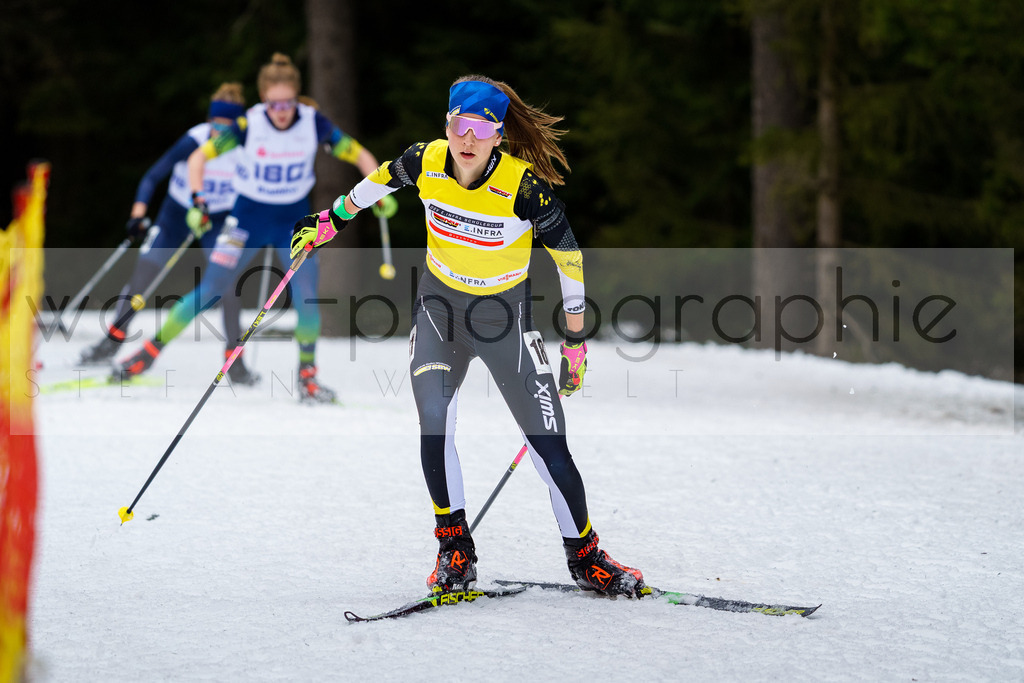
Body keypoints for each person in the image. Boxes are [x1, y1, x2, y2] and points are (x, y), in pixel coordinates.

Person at [292, 75, 646, 596]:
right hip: (439, 313)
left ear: (499, 135)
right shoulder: (426, 160)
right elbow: (378, 183)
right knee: (433, 424)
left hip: (504, 321)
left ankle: (586, 556)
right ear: (449, 126)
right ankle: (454, 549)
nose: (468, 138)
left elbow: (570, 259)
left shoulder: (524, 189)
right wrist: (332, 220)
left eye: (481, 128)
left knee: (550, 444)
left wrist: (575, 341)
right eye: (460, 124)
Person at [116, 54, 396, 402]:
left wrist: (377, 193)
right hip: (245, 221)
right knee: (211, 288)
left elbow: (359, 154)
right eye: (274, 103)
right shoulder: (248, 125)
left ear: (297, 97)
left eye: (288, 102)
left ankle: (307, 377)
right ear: (264, 99)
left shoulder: (313, 122)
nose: (282, 110)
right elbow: (198, 158)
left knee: (308, 297)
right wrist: (198, 199)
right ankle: (146, 354)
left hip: (292, 223)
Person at [81, 82, 259, 385]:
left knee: (227, 286)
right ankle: (112, 340)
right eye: (215, 124)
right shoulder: (195, 140)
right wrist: (138, 213)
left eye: (227, 126)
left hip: (217, 220)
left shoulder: (247, 149)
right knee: (144, 274)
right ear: (208, 121)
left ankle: (235, 362)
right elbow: (153, 175)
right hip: (177, 213)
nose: (219, 132)